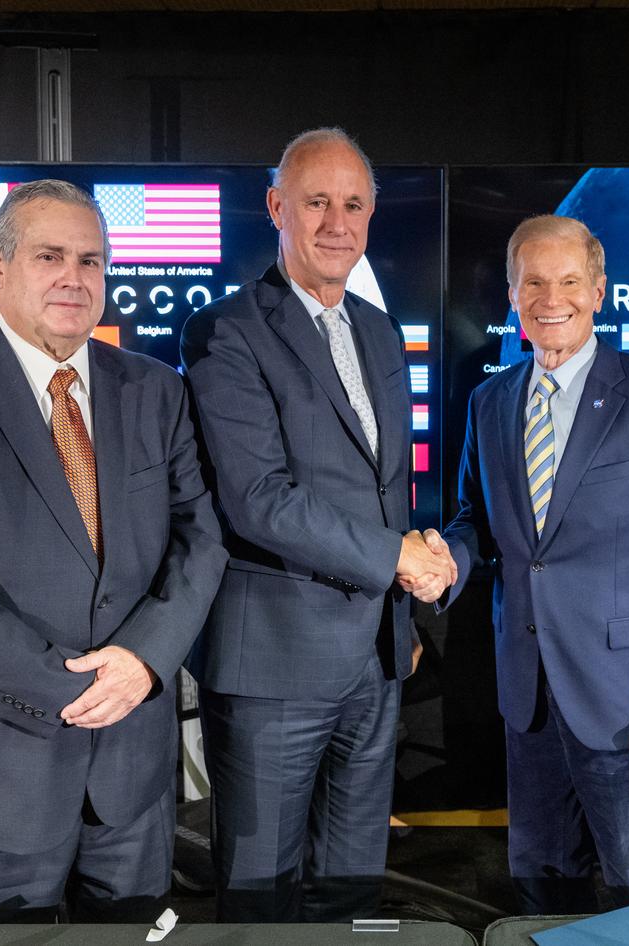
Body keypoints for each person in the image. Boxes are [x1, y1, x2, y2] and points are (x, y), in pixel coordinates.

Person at [0, 179, 228, 923]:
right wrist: (75, 690)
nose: (74, 277)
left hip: (130, 780)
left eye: (91, 261)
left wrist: (144, 662)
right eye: (49, 255)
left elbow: (201, 539)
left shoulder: (156, 390)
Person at [180, 127, 454, 923]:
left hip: (374, 657)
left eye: (354, 204)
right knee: (262, 895)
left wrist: (398, 604)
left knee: (352, 888)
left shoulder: (377, 328)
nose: (337, 222)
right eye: (316, 202)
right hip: (272, 664)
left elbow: (386, 486)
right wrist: (394, 559)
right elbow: (257, 497)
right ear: (276, 207)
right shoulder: (226, 330)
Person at [431, 215, 629, 913]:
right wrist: (448, 559)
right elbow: (479, 521)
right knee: (542, 884)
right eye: (534, 281)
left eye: (568, 281)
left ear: (598, 291)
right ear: (511, 293)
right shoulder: (490, 401)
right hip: (527, 696)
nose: (550, 297)